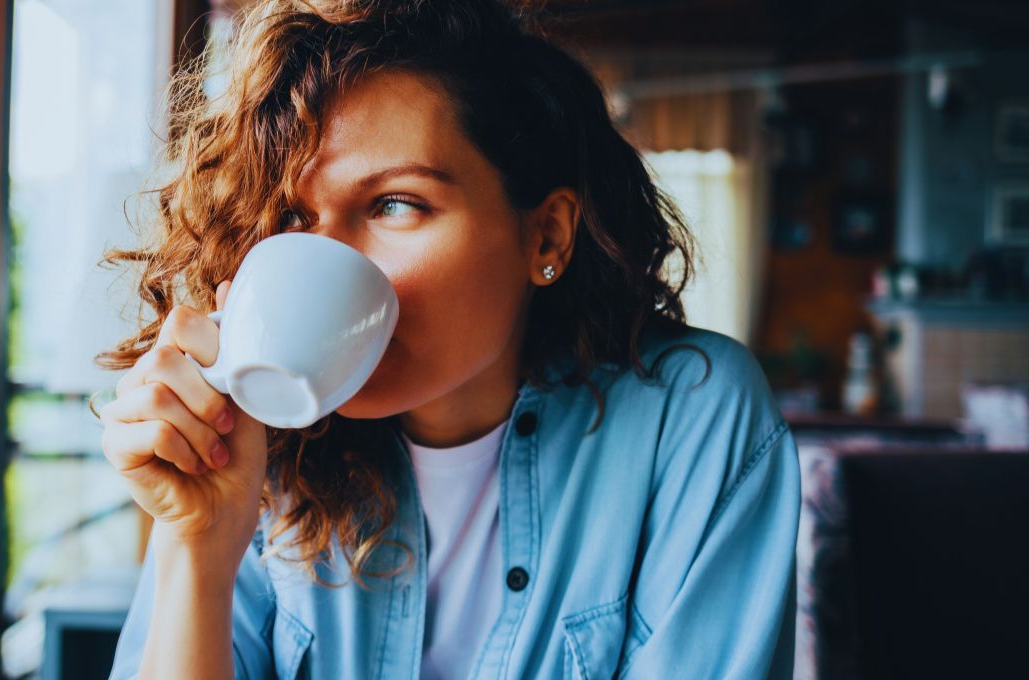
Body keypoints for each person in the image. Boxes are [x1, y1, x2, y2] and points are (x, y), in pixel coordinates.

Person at [96, 1, 801, 678]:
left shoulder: (690, 417)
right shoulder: (254, 445)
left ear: (545, 234)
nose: (327, 262)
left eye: (395, 204)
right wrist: (197, 551)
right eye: (291, 215)